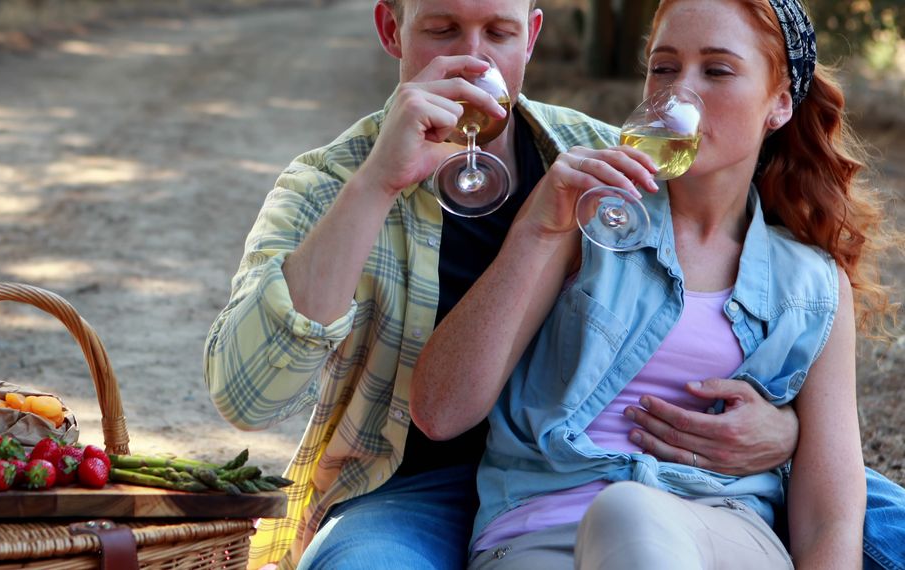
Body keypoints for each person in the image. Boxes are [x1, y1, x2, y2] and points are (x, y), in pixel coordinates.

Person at [204, 0, 905, 568]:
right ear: (392, 28)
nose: (474, 58)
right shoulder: (334, 182)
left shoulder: (602, 157)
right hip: (430, 484)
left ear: (532, 36)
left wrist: (792, 433)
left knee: (883, 521)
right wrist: (377, 184)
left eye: (499, 32)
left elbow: (720, 191)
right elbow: (251, 397)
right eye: (443, 29)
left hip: (692, 495)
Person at [410, 0, 900, 568]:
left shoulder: (813, 284)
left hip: (722, 534)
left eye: (716, 70)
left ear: (780, 102)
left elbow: (830, 513)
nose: (678, 94)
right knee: (624, 515)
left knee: (631, 513)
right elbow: (441, 412)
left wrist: (790, 436)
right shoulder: (578, 217)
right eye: (664, 68)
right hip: (540, 534)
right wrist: (538, 231)